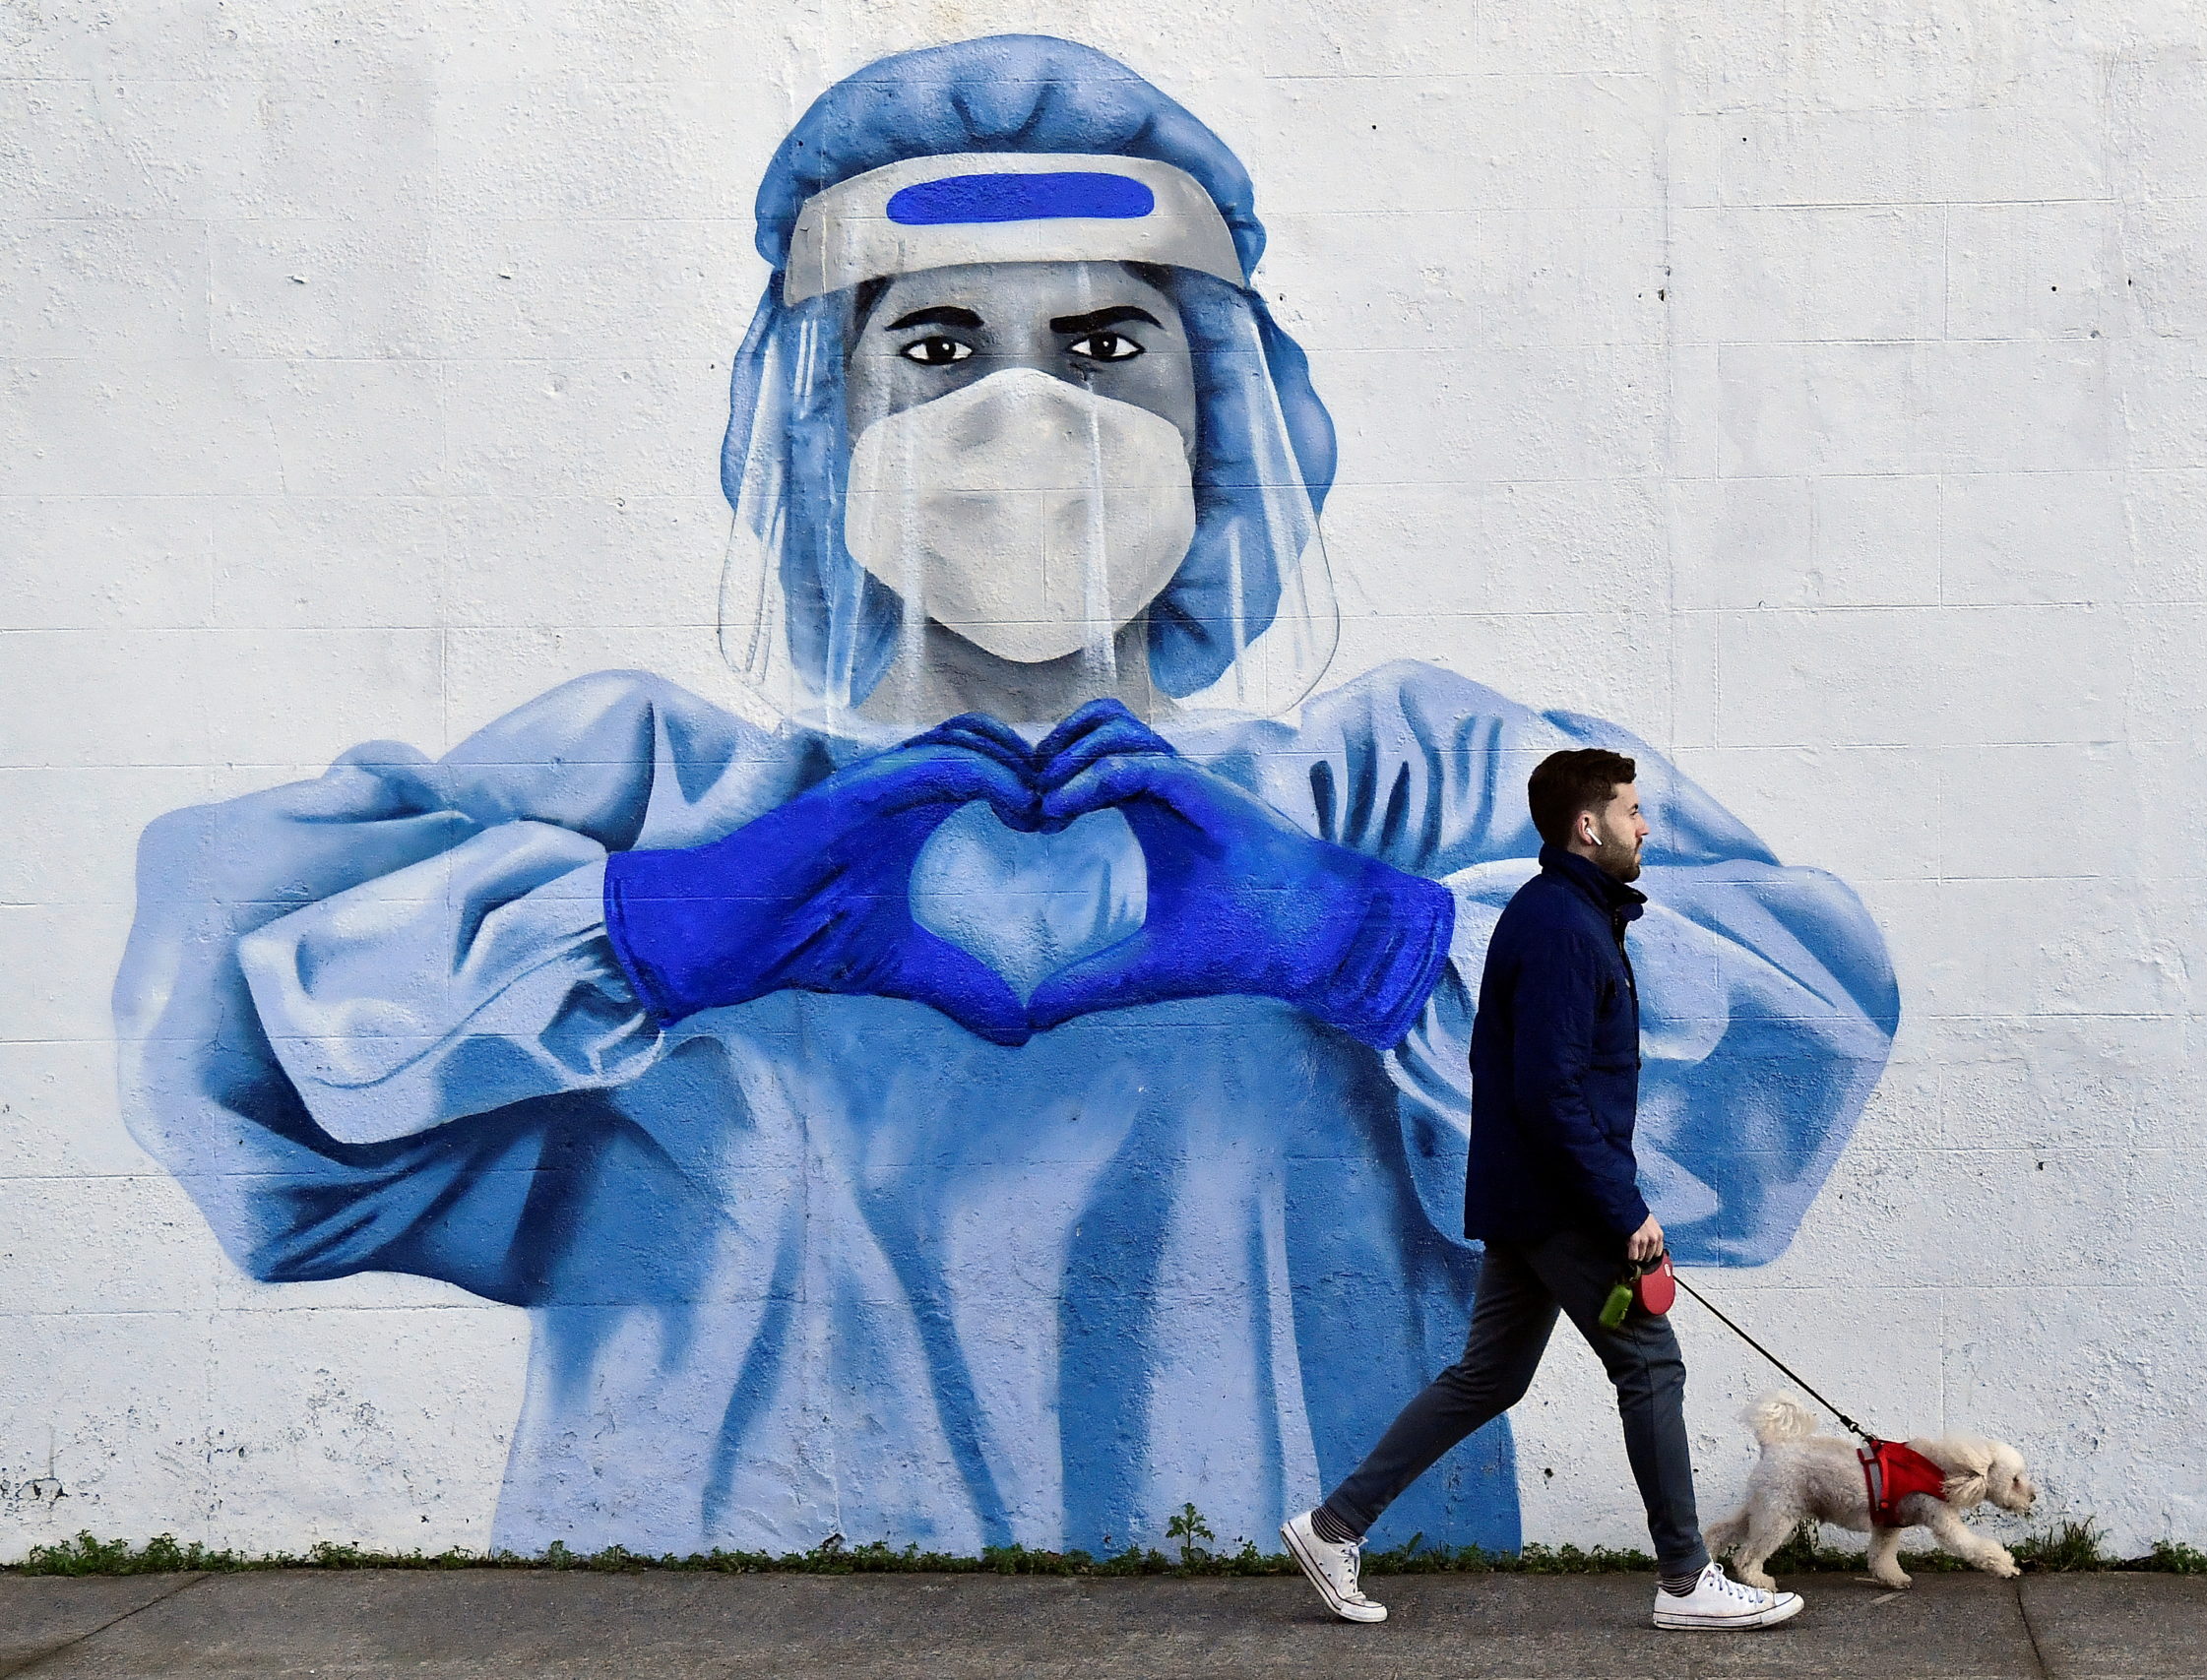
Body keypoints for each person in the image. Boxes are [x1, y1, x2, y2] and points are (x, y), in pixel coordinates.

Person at [114, 35, 1896, 1560]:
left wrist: (1388, 937)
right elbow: (227, 1045)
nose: (1030, 421)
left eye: (1112, 349)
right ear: (821, 422)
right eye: (939, 347)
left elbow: (1794, 1027)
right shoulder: (657, 795)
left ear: (1228, 418)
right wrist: (642, 927)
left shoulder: (1389, 787)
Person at [1284, 750, 1804, 1630]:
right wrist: (1623, 1206)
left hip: (1532, 1194)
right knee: (1648, 1362)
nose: (1647, 827)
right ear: (1587, 825)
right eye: (1633, 811)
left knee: (1487, 1375)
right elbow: (1550, 1089)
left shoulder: (1564, 914)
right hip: (1562, 1198)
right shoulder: (1564, 925)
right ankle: (1685, 1579)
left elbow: (1537, 1080)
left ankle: (1334, 1527)